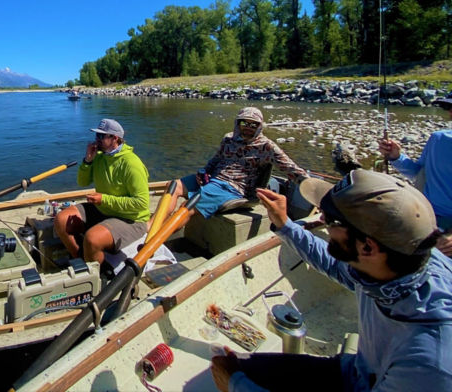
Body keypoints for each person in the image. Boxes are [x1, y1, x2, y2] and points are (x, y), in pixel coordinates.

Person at [210, 170, 452, 392]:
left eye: (332, 220)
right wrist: (285, 225)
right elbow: (335, 265)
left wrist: (235, 386)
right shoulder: (392, 264)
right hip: (356, 371)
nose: (321, 220)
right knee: (238, 368)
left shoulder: (431, 362)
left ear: (367, 246)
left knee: (235, 378)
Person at [168, 107, 307, 225]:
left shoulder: (266, 147)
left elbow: (291, 168)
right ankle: (152, 226)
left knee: (187, 207)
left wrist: (311, 187)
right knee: (173, 186)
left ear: (259, 127)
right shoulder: (228, 139)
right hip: (212, 179)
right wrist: (204, 172)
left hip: (232, 188)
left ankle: (156, 240)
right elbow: (216, 159)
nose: (248, 128)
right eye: (244, 123)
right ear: (237, 123)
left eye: (253, 125)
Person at [54, 118, 150, 266]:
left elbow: (142, 204)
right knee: (61, 220)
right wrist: (87, 161)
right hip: (103, 210)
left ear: (115, 139)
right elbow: (82, 182)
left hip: (130, 219)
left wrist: (104, 199)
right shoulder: (99, 156)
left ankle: (96, 274)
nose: (97, 140)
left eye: (101, 136)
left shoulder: (131, 164)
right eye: (96, 136)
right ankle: (81, 260)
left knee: (93, 238)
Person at [378, 92, 452, 255]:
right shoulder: (438, 139)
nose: (450, 112)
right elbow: (419, 173)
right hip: (425, 219)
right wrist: (396, 157)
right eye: (449, 107)